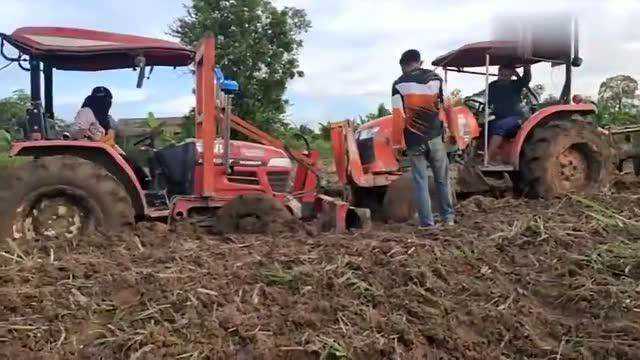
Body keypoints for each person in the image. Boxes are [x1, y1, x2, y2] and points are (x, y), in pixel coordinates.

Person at [391, 49, 455, 228]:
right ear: (420, 62)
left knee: (420, 182)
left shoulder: (398, 83)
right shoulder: (436, 79)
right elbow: (449, 107)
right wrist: (455, 132)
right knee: (442, 179)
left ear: (403, 66)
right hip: (435, 138)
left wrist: (398, 144)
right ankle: (448, 219)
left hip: (414, 141)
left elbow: (398, 116)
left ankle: (428, 223)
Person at [487, 64, 531, 164]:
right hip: (499, 116)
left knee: (500, 126)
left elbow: (526, 79)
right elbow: (488, 102)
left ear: (512, 75)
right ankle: (495, 156)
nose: (504, 77)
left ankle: (488, 158)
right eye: (502, 74)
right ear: (498, 73)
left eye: (507, 75)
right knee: (486, 126)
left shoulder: (516, 84)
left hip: (516, 117)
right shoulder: (492, 85)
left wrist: (526, 68)